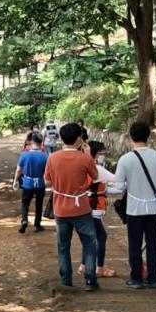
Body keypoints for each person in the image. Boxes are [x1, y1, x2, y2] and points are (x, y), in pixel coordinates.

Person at [114, 121, 156, 289]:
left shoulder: (125, 160)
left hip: (134, 209)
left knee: (134, 244)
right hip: (154, 209)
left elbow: (118, 186)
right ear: (148, 136)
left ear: (131, 137)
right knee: (154, 245)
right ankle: (153, 278)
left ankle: (137, 278)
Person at [44, 122, 99, 292]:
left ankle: (66, 280)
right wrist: (89, 155)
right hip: (81, 207)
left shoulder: (53, 158)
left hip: (60, 207)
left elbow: (47, 181)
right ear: (78, 139)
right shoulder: (85, 158)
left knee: (63, 245)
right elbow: (95, 177)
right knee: (89, 243)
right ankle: (90, 280)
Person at [77, 141, 122, 279]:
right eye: (101, 153)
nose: (102, 156)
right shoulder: (97, 169)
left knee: (88, 237)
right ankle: (99, 267)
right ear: (96, 154)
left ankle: (84, 265)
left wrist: (106, 190)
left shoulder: (79, 167)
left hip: (82, 206)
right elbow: (118, 181)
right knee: (101, 237)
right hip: (94, 208)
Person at [14, 132, 48, 233]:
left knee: (25, 203)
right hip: (40, 184)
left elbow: (18, 170)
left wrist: (15, 180)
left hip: (27, 183)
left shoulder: (25, 155)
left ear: (31, 142)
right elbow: (48, 172)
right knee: (39, 204)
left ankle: (24, 220)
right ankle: (37, 224)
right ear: (41, 142)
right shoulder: (45, 156)